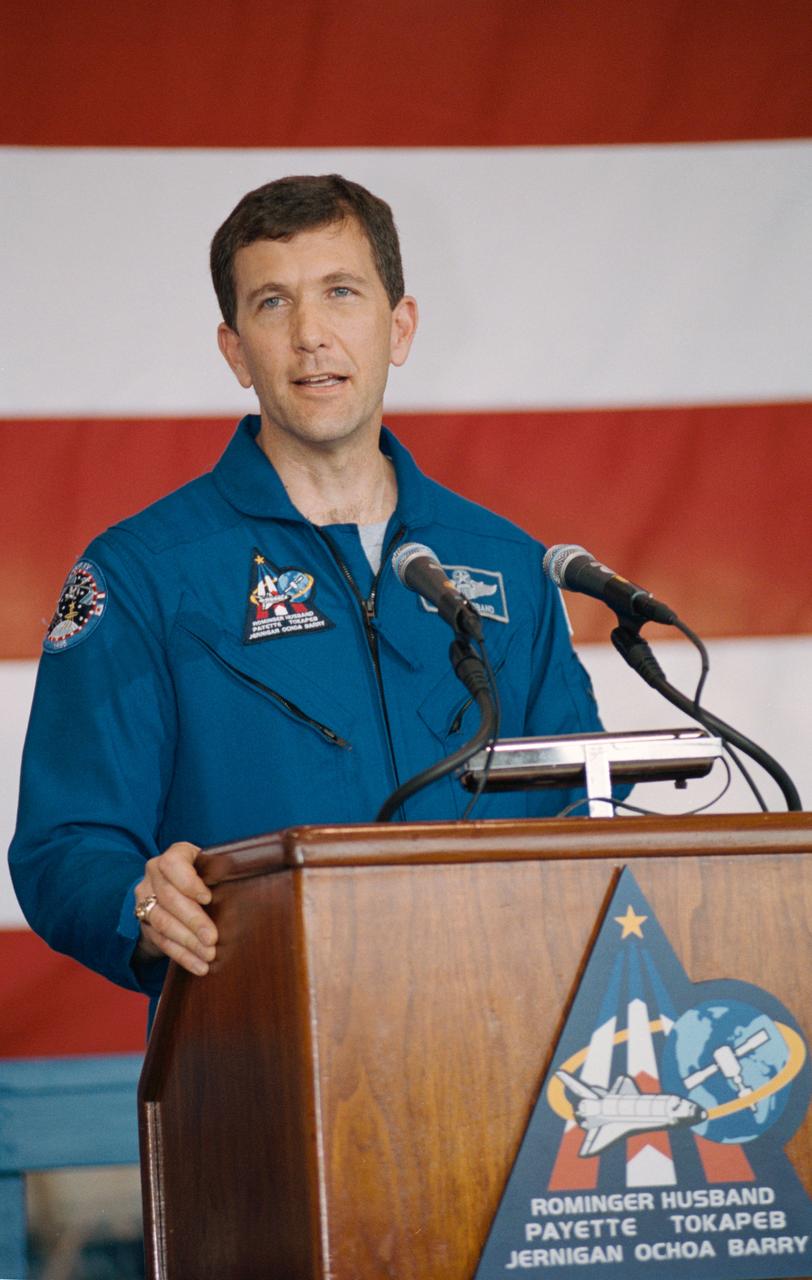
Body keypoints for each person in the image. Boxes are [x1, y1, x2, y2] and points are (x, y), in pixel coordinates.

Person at [9, 174, 607, 1014]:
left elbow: (582, 805)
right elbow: (65, 843)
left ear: (399, 327)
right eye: (272, 304)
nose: (311, 337)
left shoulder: (505, 565)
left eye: (341, 293)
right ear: (234, 350)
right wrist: (143, 905)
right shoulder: (139, 573)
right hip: (259, 1052)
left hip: (502, 1038)